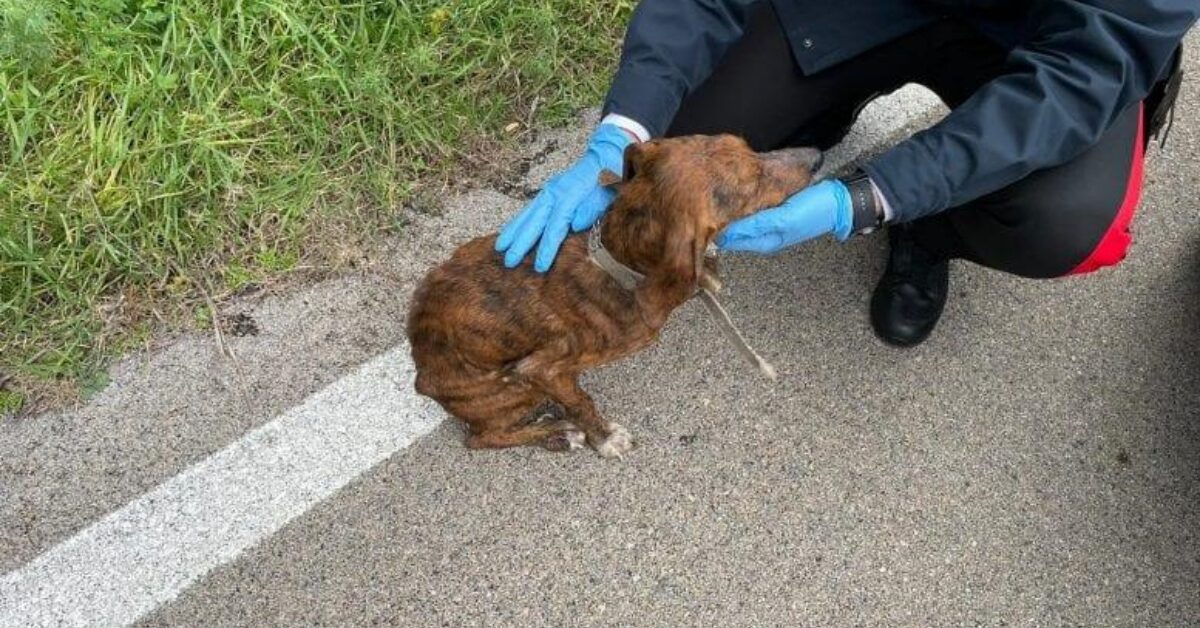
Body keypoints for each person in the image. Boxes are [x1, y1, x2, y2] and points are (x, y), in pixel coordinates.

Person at [495, 1, 1196, 347]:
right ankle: (823, 109)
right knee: (688, 136)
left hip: (1039, 36)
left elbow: (1082, 75)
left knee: (1065, 225)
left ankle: (928, 227)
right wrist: (625, 131)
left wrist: (875, 195)